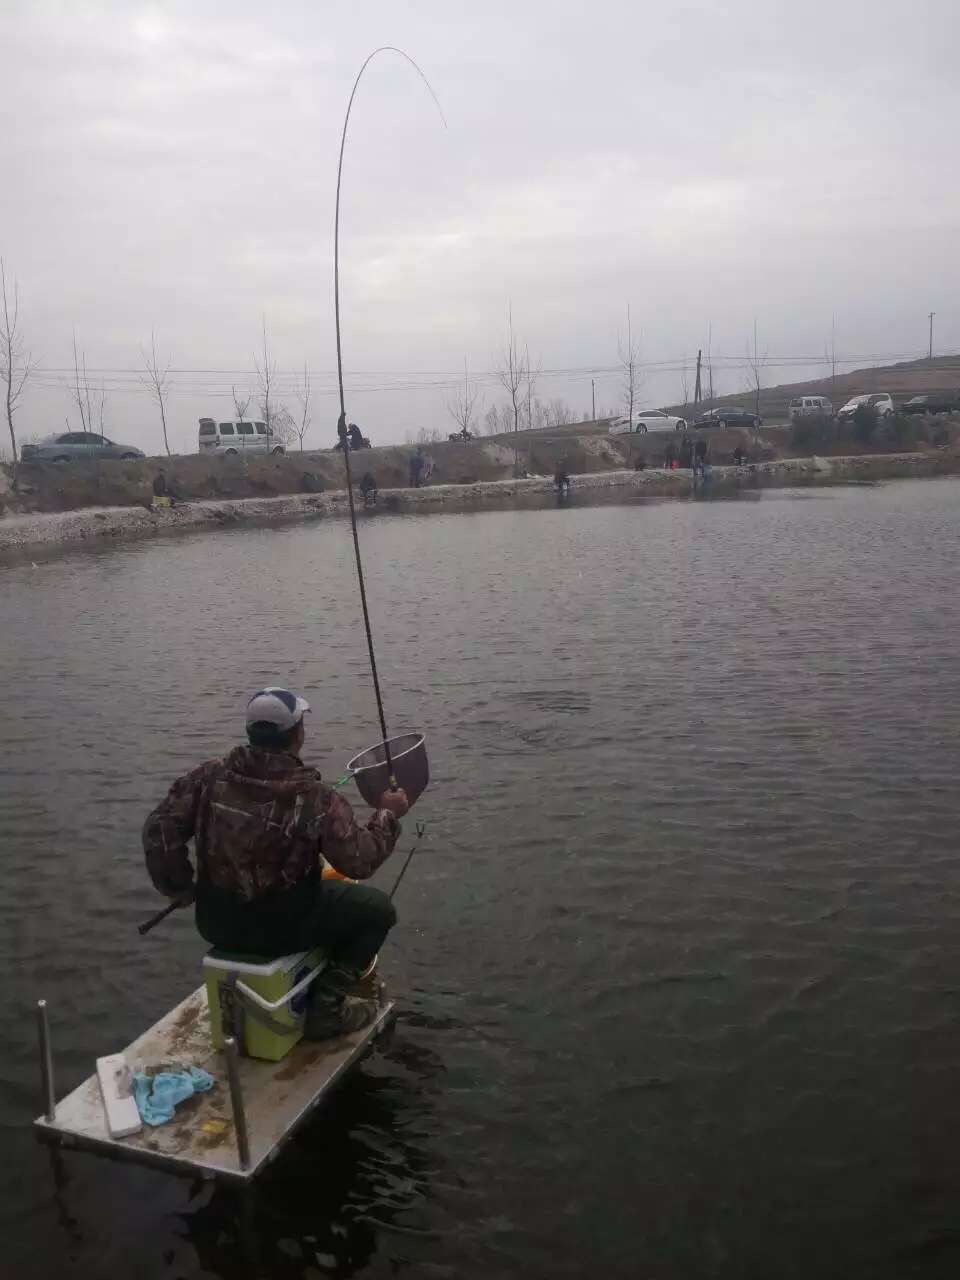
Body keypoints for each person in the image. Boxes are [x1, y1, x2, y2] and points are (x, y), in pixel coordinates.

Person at [142, 688, 410, 1039]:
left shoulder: (208, 777)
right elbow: (360, 861)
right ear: (297, 735)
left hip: (215, 922)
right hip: (286, 929)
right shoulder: (316, 797)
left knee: (333, 899)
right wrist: (388, 815)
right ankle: (326, 1007)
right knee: (378, 911)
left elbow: (159, 829)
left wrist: (179, 885)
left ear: (251, 731)